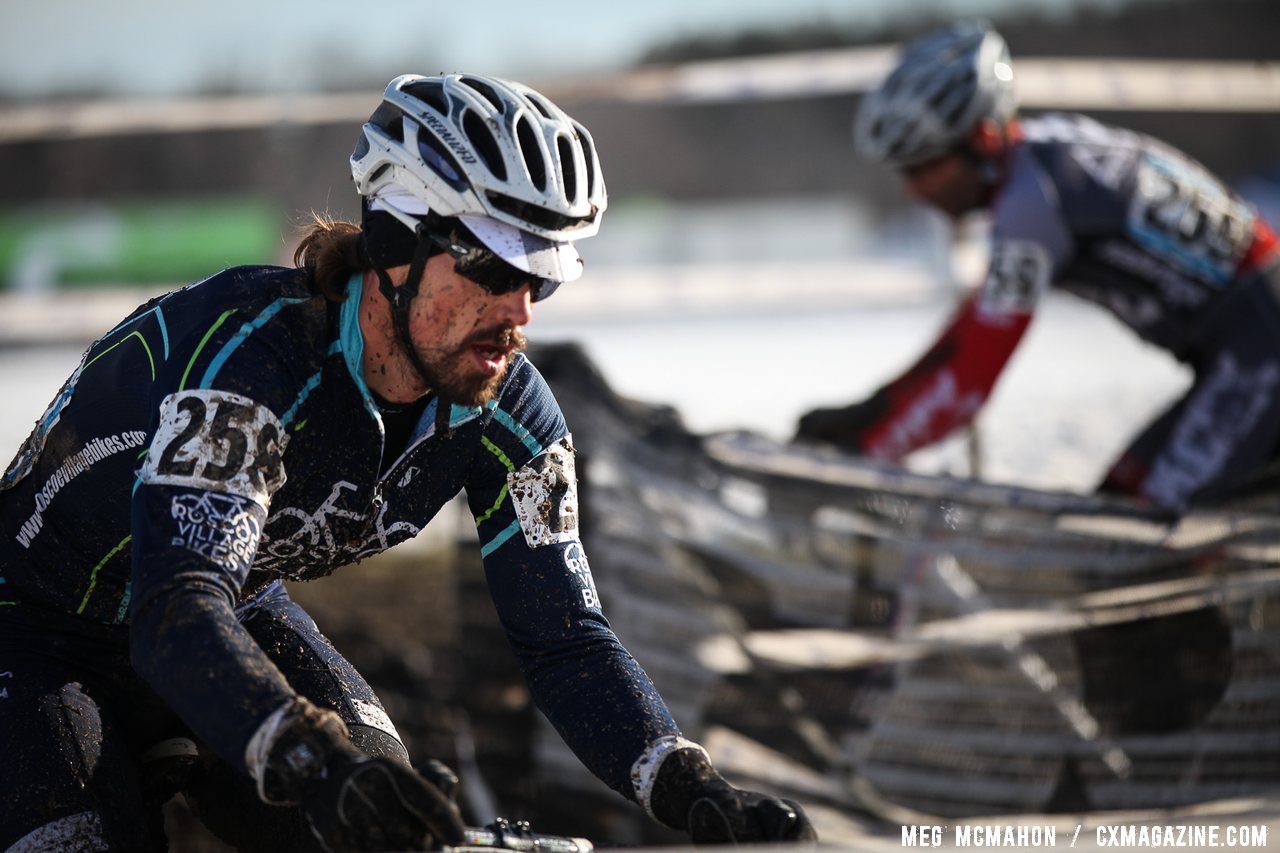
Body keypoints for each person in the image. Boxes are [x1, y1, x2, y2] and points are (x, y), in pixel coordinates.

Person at [0, 73, 817, 852]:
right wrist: (311, 759)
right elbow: (176, 609)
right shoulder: (253, 364)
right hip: (34, 631)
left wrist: (687, 784)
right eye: (494, 268)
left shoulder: (509, 412)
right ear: (395, 246)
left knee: (389, 822)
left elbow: (566, 640)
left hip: (233, 608)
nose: (518, 311)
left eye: (542, 278)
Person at [796, 21, 1280, 511]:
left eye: (924, 166)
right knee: (1119, 506)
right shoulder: (1044, 165)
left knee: (1147, 540)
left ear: (981, 140)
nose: (913, 190)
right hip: (1250, 342)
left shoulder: (1034, 202)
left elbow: (971, 376)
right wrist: (876, 407)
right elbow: (969, 333)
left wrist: (867, 454)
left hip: (1261, 349)